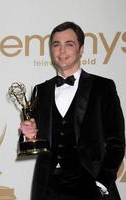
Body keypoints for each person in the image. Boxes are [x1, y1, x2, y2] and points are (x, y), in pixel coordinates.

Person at [19, 21, 125, 200]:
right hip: (48, 188)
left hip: (91, 186)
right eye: (56, 44)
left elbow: (117, 141)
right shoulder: (40, 90)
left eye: (69, 44)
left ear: (81, 49)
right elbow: (36, 141)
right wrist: (27, 135)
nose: (62, 51)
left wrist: (102, 182)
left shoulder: (103, 87)